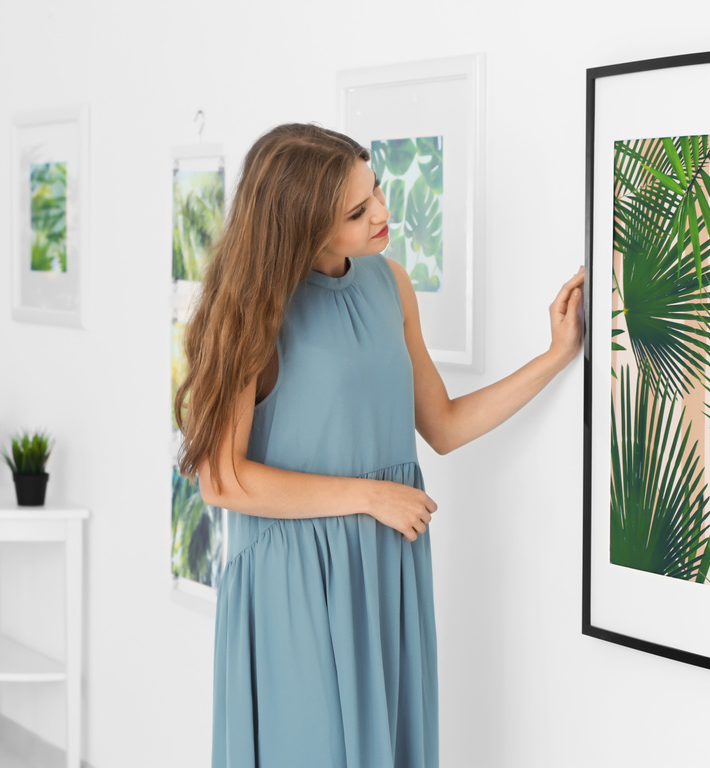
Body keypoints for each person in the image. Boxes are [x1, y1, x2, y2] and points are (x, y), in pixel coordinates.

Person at [174, 123, 584, 768]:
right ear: (301, 223)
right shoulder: (251, 311)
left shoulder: (388, 283)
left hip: (384, 564)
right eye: (357, 211)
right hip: (296, 579)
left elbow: (443, 425)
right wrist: (371, 497)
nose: (383, 215)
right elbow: (220, 481)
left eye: (378, 193)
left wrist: (556, 356)